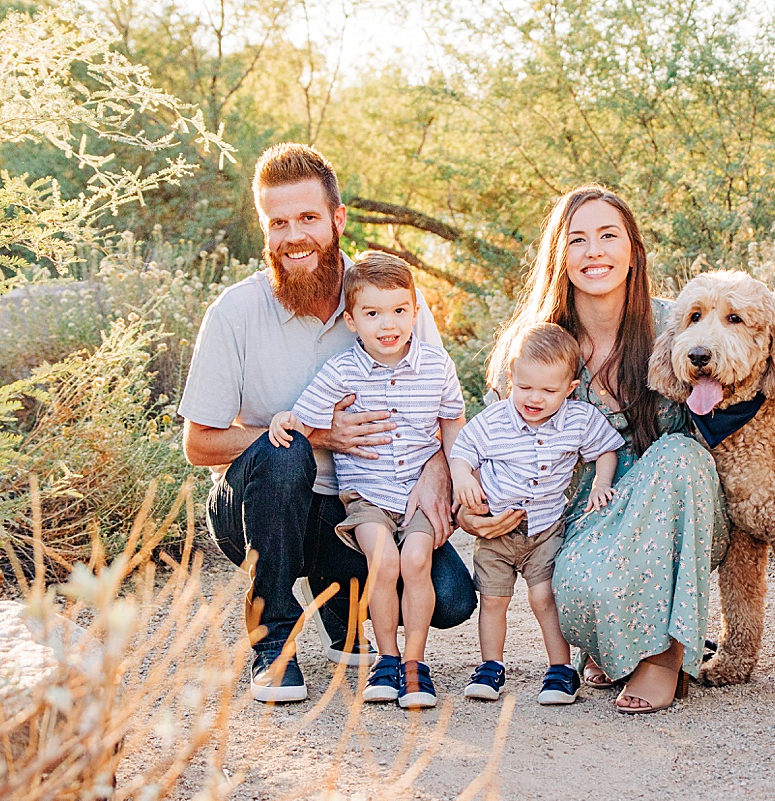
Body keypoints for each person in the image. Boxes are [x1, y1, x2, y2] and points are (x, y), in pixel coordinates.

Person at [178, 143, 476, 704]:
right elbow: (198, 443)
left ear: (337, 220)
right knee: (284, 450)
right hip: (261, 506)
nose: (294, 237)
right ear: (264, 230)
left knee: (455, 598)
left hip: (362, 499)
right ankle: (273, 641)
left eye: (308, 218)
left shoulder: (389, 300)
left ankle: (343, 598)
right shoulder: (235, 312)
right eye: (278, 223)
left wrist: (438, 472)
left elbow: (440, 407)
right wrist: (318, 435)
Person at [458, 184, 729, 714]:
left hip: (677, 513)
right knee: (578, 590)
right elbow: (490, 442)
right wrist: (475, 513)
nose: (594, 251)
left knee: (681, 453)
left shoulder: (681, 324)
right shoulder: (535, 344)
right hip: (579, 521)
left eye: (609, 236)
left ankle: (664, 656)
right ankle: (614, 641)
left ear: (633, 249)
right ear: (560, 254)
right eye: (577, 240)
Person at [269, 251, 466, 709]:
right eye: (373, 313)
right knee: (385, 561)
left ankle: (415, 666)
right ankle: (386, 660)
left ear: (416, 311)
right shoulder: (342, 371)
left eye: (399, 310)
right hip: (368, 496)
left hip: (416, 495)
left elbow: (453, 422)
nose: (388, 323)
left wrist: (459, 478)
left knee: (416, 560)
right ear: (352, 320)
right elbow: (306, 418)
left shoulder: (437, 366)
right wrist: (285, 418)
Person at [449, 322, 624, 706]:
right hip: (496, 531)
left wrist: (601, 483)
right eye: (525, 387)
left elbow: (605, 449)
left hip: (545, 528)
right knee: (493, 599)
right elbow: (463, 451)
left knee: (544, 596)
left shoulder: (578, 419)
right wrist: (462, 478)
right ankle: (490, 666)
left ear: (570, 389)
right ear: (511, 378)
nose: (535, 398)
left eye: (549, 390)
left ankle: (560, 670)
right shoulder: (494, 421)